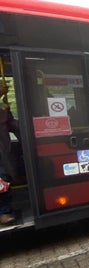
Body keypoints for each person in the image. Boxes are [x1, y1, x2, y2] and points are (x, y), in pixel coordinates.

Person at [0, 85, 19, 225]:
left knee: (4, 178)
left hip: (4, 150)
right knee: (1, 179)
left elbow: (13, 125)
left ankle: (6, 209)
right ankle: (4, 212)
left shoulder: (3, 107)